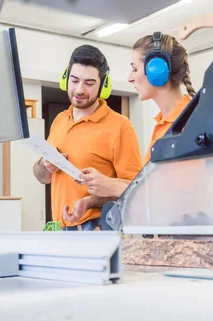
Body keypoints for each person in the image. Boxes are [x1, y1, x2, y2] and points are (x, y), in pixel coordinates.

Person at [32, 45, 143, 230]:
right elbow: (42, 177)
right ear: (66, 78)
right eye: (74, 80)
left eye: (89, 83)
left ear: (103, 85)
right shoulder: (59, 120)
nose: (80, 89)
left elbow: (135, 191)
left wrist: (90, 201)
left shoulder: (120, 127)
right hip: (60, 229)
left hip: (96, 228)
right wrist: (45, 165)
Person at [78, 32, 196, 199]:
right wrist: (95, 198)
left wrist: (113, 187)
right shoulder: (164, 124)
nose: (130, 78)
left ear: (157, 70)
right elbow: (153, 185)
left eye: (134, 69)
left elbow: (179, 196)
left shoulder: (188, 124)